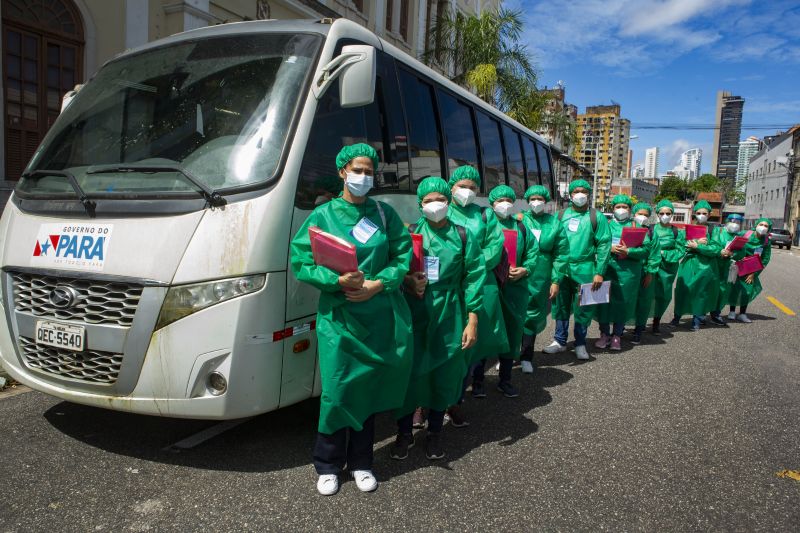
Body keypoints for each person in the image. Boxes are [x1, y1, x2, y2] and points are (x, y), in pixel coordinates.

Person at [290, 143, 413, 496]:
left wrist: (378, 284)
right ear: (343, 171)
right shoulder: (323, 216)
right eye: (357, 170)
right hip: (339, 318)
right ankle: (327, 465)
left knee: (366, 390)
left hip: (376, 316)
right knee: (337, 389)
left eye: (369, 171)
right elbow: (302, 262)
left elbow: (402, 257)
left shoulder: (384, 215)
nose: (363, 177)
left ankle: (361, 462)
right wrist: (335, 281)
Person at [391, 177, 484, 461]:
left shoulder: (463, 235)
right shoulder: (409, 234)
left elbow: (474, 278)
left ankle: (434, 433)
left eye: (440, 200)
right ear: (420, 204)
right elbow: (393, 268)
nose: (435, 206)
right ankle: (404, 434)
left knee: (443, 375)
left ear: (449, 200)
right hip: (415, 311)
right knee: (410, 375)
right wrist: (408, 280)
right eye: (429, 201)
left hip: (450, 311)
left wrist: (472, 320)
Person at [447, 165, 509, 405]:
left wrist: (470, 265)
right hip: (449, 287)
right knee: (443, 344)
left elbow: (495, 247)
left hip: (481, 284)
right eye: (462, 186)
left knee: (471, 344)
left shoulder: (485, 215)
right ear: (451, 186)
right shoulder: (442, 210)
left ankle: (457, 399)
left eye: (473, 188)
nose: (467, 191)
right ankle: (430, 403)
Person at [548, 179, 611, 360]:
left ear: (589, 194)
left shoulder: (596, 216)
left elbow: (604, 244)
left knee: (585, 307)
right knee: (560, 304)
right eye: (576, 191)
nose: (580, 195)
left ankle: (580, 343)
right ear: (570, 194)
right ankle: (559, 341)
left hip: (586, 268)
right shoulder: (560, 216)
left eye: (584, 191)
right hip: (562, 267)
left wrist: (599, 271)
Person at [487, 184, 539, 394]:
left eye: (509, 200)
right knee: (485, 331)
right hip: (490, 285)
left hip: (515, 288)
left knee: (511, 331)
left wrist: (525, 270)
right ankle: (479, 380)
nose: (505, 205)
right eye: (500, 201)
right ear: (492, 203)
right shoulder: (485, 225)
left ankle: (505, 379)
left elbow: (533, 254)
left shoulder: (521, 228)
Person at [519, 185, 569, 373]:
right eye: (532, 198)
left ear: (546, 200)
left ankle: (526, 356)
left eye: (540, 198)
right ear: (527, 200)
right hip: (518, 274)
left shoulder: (554, 223)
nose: (536, 202)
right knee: (513, 313)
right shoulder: (519, 219)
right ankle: (507, 355)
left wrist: (556, 280)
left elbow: (561, 254)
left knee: (532, 315)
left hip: (541, 276)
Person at [595, 195, 656, 350]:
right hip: (606, 269)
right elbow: (593, 243)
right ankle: (604, 334)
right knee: (603, 302)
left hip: (628, 273)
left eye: (625, 207)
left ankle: (616, 336)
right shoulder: (605, 225)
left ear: (630, 210)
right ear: (612, 208)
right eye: (618, 207)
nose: (621, 210)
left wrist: (628, 251)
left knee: (623, 303)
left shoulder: (637, 226)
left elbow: (646, 250)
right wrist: (609, 248)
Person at [671, 200, 721, 331]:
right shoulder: (686, 230)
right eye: (698, 213)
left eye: (704, 213)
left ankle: (697, 319)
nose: (701, 215)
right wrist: (694, 243)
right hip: (689, 264)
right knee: (683, 290)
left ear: (709, 214)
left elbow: (716, 249)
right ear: (694, 214)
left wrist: (698, 247)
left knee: (700, 292)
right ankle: (677, 317)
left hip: (706, 266)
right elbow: (681, 246)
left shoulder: (713, 230)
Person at [650, 199, 685, 335]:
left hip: (668, 268)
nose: (665, 215)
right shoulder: (651, 229)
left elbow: (680, 250)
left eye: (668, 213)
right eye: (662, 213)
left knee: (663, 295)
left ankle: (656, 322)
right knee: (646, 294)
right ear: (657, 214)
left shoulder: (677, 232)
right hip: (651, 266)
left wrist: (665, 253)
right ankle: (638, 324)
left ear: (672, 214)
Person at [728, 217, 773, 323]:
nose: (763, 227)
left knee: (747, 290)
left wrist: (754, 273)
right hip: (738, 264)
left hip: (752, 268)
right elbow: (733, 245)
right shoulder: (745, 234)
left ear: (769, 228)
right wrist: (737, 256)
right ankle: (732, 311)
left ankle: (742, 313)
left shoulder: (766, 241)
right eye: (761, 224)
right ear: (756, 225)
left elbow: (765, 259)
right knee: (734, 287)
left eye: (766, 226)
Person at [630, 202, 662, 344]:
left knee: (643, 301)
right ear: (634, 214)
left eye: (645, 215)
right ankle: (617, 330)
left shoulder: (651, 233)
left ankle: (638, 329)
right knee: (626, 299)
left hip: (644, 272)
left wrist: (650, 272)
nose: (642, 217)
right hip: (629, 271)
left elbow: (654, 255)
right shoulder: (627, 228)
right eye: (639, 214)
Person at [710, 213, 743, 324]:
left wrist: (732, 255)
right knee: (710, 288)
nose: (735, 224)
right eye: (733, 221)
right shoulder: (718, 231)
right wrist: (720, 252)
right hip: (715, 264)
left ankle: (716, 313)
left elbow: (742, 252)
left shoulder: (739, 237)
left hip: (728, 267)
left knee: (723, 290)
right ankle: (701, 314)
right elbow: (713, 244)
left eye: (738, 222)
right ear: (727, 221)